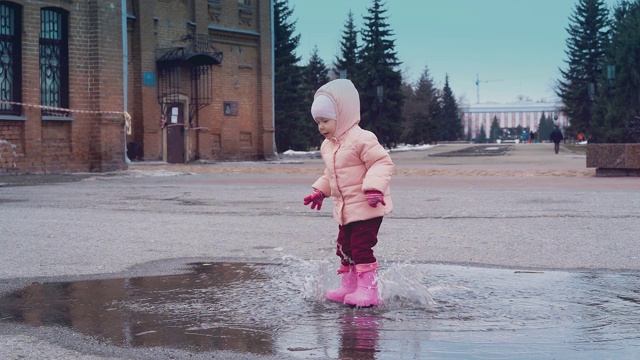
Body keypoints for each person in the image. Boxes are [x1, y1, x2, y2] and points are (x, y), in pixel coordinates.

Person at [303, 79, 394, 308]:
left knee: (361, 246)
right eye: (318, 122)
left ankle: (368, 290)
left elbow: (382, 163)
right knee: (344, 246)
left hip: (367, 205)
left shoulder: (362, 138)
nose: (321, 127)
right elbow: (332, 173)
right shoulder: (329, 146)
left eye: (325, 121)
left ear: (341, 115)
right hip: (345, 209)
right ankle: (349, 285)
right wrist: (320, 191)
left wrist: (374, 188)